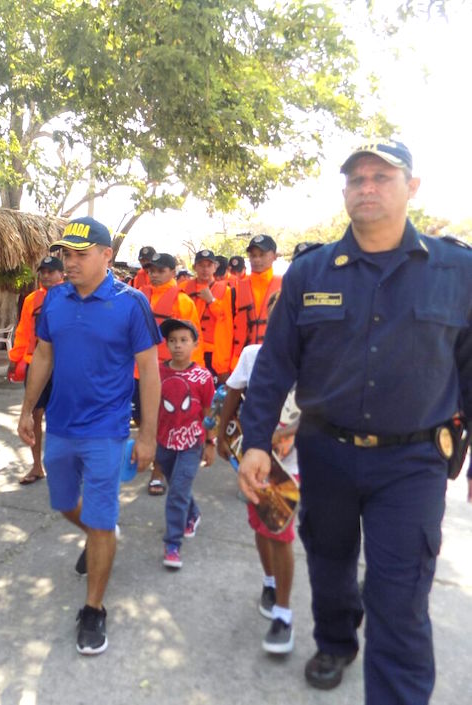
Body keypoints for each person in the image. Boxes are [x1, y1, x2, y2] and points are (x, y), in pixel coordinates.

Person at [237, 140, 472, 703]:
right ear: (344, 191)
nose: (367, 187)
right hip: (327, 451)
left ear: (411, 187)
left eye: (381, 177)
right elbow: (274, 365)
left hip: (412, 460)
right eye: (356, 178)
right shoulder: (309, 272)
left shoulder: (457, 270)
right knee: (330, 559)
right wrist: (255, 442)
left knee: (400, 596)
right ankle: (337, 641)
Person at [17, 216, 160, 656]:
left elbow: (150, 371)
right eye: (66, 254)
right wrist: (27, 408)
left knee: (99, 519)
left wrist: (148, 435)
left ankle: (94, 608)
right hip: (60, 424)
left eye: (81, 254)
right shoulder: (54, 301)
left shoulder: (131, 303)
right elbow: (43, 354)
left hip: (106, 429)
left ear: (106, 256)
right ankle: (102, 532)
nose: (71, 262)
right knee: (64, 504)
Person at [217, 290, 298, 655]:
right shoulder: (253, 355)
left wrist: (289, 433)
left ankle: (283, 613)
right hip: (259, 458)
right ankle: (269, 582)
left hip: (299, 463)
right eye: (276, 311)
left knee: (279, 531)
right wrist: (220, 435)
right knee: (263, 527)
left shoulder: (320, 357)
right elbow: (233, 395)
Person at [154, 319, 215, 570]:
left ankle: (173, 545)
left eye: (183, 340)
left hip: (192, 443)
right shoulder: (157, 371)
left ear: (195, 344)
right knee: (176, 485)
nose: (177, 346)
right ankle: (193, 514)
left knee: (177, 491)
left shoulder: (203, 377)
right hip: (164, 442)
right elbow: (150, 404)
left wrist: (211, 442)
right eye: (172, 341)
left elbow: (210, 412)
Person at [139, 251, 202, 497]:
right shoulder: (138, 296)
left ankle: (159, 472)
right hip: (137, 370)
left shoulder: (183, 302)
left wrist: (191, 375)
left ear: (172, 272)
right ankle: (152, 457)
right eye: (151, 270)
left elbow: (194, 341)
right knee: (143, 419)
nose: (154, 275)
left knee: (163, 422)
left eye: (160, 270)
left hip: (168, 373)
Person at [8, 255, 65, 485]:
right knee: (34, 415)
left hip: (63, 366)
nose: (46, 276)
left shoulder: (72, 296)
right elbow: (23, 331)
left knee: (60, 418)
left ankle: (62, 466)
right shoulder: (32, 299)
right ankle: (36, 466)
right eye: (42, 271)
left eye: (51, 272)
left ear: (62, 274)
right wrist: (15, 358)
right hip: (35, 363)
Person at [230, 234, 282, 373]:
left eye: (262, 255)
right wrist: (224, 366)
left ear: (275, 256)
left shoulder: (286, 286)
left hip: (277, 359)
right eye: (253, 255)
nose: (257, 260)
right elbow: (225, 330)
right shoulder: (236, 289)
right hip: (243, 362)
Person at [180, 249, 233, 382]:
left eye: (209, 265)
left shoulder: (226, 291)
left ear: (215, 267)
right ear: (194, 267)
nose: (205, 269)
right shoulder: (183, 288)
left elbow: (226, 320)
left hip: (213, 352)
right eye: (201, 265)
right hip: (187, 348)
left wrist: (212, 301)